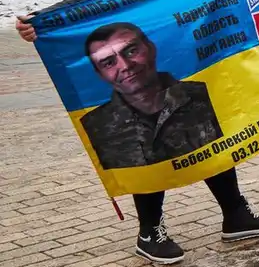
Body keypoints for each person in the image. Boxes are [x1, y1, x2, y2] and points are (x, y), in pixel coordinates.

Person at [15, 0, 259, 265]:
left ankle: (235, 215)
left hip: (188, 62)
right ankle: (149, 231)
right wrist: (41, 22)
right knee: (151, 147)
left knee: (210, 137)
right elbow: (84, 0)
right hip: (142, 72)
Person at [82, 23, 223, 169]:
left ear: (151, 48)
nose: (125, 66)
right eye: (109, 63)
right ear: (100, 74)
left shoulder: (205, 95)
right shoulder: (96, 126)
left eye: (131, 51)